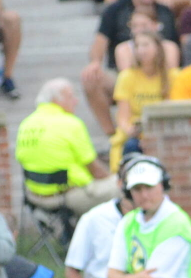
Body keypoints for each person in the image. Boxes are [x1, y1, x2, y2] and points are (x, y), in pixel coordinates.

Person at [85, 0, 180, 135]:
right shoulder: (115, 10)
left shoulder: (165, 13)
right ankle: (113, 134)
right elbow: (99, 43)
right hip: (124, 74)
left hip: (160, 74)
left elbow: (172, 60)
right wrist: (95, 63)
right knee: (91, 78)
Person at [16, 79, 118, 217]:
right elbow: (96, 171)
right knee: (125, 188)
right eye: (71, 96)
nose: (76, 101)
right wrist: (114, 179)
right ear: (56, 100)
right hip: (66, 196)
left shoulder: (26, 124)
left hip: (34, 195)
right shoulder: (71, 124)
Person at [112, 32, 177, 166]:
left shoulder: (173, 76)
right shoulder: (127, 76)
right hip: (135, 135)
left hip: (164, 132)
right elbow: (123, 118)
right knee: (132, 146)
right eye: (137, 46)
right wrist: (133, 132)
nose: (141, 50)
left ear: (158, 48)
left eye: (145, 45)